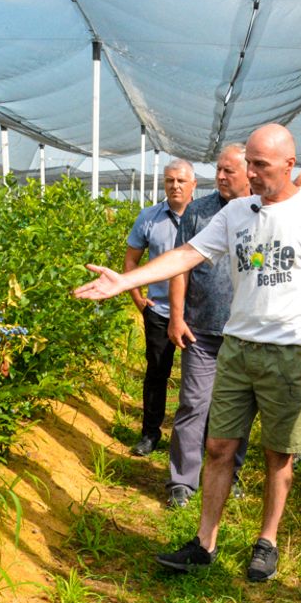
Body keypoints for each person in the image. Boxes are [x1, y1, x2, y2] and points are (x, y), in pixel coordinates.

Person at [74, 124, 301, 583]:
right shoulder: (237, 213)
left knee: (278, 454)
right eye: (250, 164)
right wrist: (127, 280)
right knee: (219, 445)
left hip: (289, 351)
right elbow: (186, 255)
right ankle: (204, 542)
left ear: (287, 165)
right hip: (236, 346)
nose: (251, 173)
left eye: (261, 165)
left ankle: (267, 541)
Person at [164, 144, 252, 508]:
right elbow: (179, 266)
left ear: (250, 173)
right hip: (200, 330)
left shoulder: (259, 212)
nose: (220, 177)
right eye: (218, 169)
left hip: (245, 333)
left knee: (238, 410)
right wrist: (176, 316)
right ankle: (182, 481)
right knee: (194, 404)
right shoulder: (198, 212)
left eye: (229, 171)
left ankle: (229, 474)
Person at [124, 159, 196, 456]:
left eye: (181, 181)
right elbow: (131, 260)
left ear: (193, 184)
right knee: (156, 373)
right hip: (160, 310)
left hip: (196, 314)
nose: (175, 186)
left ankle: (194, 441)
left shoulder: (206, 216)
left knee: (199, 381)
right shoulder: (149, 217)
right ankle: (150, 433)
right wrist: (139, 299)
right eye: (169, 180)